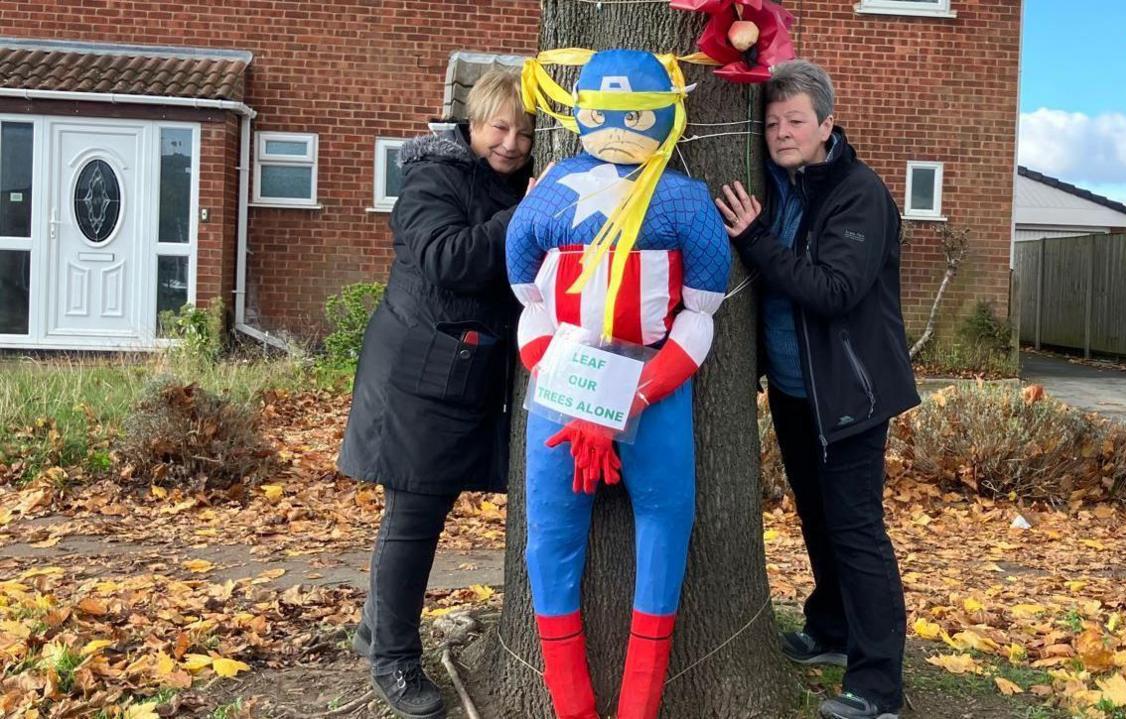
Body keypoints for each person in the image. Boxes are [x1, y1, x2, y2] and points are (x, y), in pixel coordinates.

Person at [507, 49, 730, 719]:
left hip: (650, 385)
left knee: (666, 521)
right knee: (550, 532)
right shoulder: (551, 192)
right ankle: (572, 705)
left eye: (633, 113)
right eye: (602, 112)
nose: (614, 126)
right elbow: (528, 296)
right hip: (565, 383)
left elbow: (701, 310)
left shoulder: (683, 200)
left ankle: (640, 706)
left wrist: (635, 393)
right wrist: (562, 379)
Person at [715, 60, 920, 719]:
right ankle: (831, 629)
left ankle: (879, 686)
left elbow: (832, 291)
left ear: (827, 123)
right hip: (797, 392)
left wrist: (755, 238)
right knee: (818, 517)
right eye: (772, 122)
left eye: (795, 121)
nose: (781, 132)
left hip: (851, 392)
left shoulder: (858, 194)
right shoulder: (777, 184)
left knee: (857, 529)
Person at [337, 69, 534, 719]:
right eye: (499, 127)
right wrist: (527, 213)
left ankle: (375, 629)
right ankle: (391, 657)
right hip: (419, 373)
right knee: (414, 517)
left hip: (463, 370)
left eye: (524, 131)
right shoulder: (433, 176)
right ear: (472, 124)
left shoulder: (506, 181)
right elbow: (447, 257)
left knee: (424, 511)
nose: (510, 142)